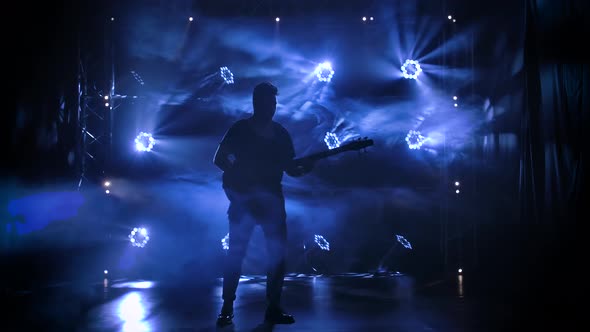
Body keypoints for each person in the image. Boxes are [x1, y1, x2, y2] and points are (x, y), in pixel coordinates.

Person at [213, 82, 314, 327]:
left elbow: (291, 169)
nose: (271, 107)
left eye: (274, 103)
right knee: (236, 254)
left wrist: (308, 167)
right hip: (243, 202)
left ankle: (273, 307)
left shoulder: (280, 134)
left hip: (272, 203)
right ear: (256, 103)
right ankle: (227, 307)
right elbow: (219, 159)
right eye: (267, 102)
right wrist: (237, 184)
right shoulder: (240, 130)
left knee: (277, 256)